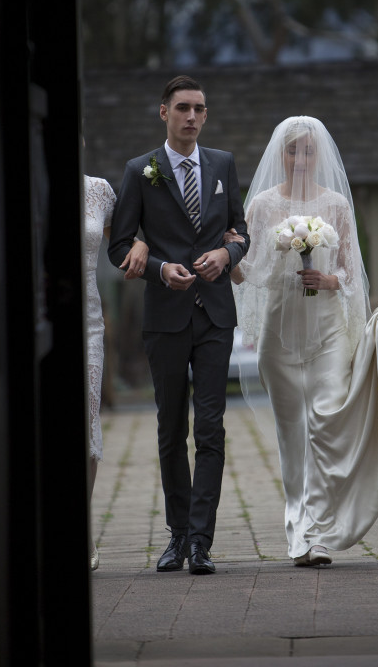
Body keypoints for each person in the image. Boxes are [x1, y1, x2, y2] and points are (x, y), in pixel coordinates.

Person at [231, 116, 378, 567]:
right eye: (292, 151)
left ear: (320, 156)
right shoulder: (260, 205)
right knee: (292, 431)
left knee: (325, 418)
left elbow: (353, 273)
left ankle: (323, 526)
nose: (300, 159)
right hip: (280, 331)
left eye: (308, 151)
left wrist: (328, 279)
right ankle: (301, 533)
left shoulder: (335, 204)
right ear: (282, 155)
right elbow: (249, 273)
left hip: (328, 330)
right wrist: (227, 254)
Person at [107, 75, 249, 575]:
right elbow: (119, 246)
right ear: (163, 113)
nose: (192, 116)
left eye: (200, 109)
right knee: (171, 428)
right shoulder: (138, 171)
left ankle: (202, 543)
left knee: (210, 427)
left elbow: (242, 230)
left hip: (214, 314)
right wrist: (158, 268)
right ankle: (178, 533)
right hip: (165, 318)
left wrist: (226, 253)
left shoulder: (223, 164)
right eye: (183, 108)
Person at [83, 174, 148, 569]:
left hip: (88, 320)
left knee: (87, 424)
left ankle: (83, 527)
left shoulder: (98, 190)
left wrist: (139, 242)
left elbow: (119, 240)